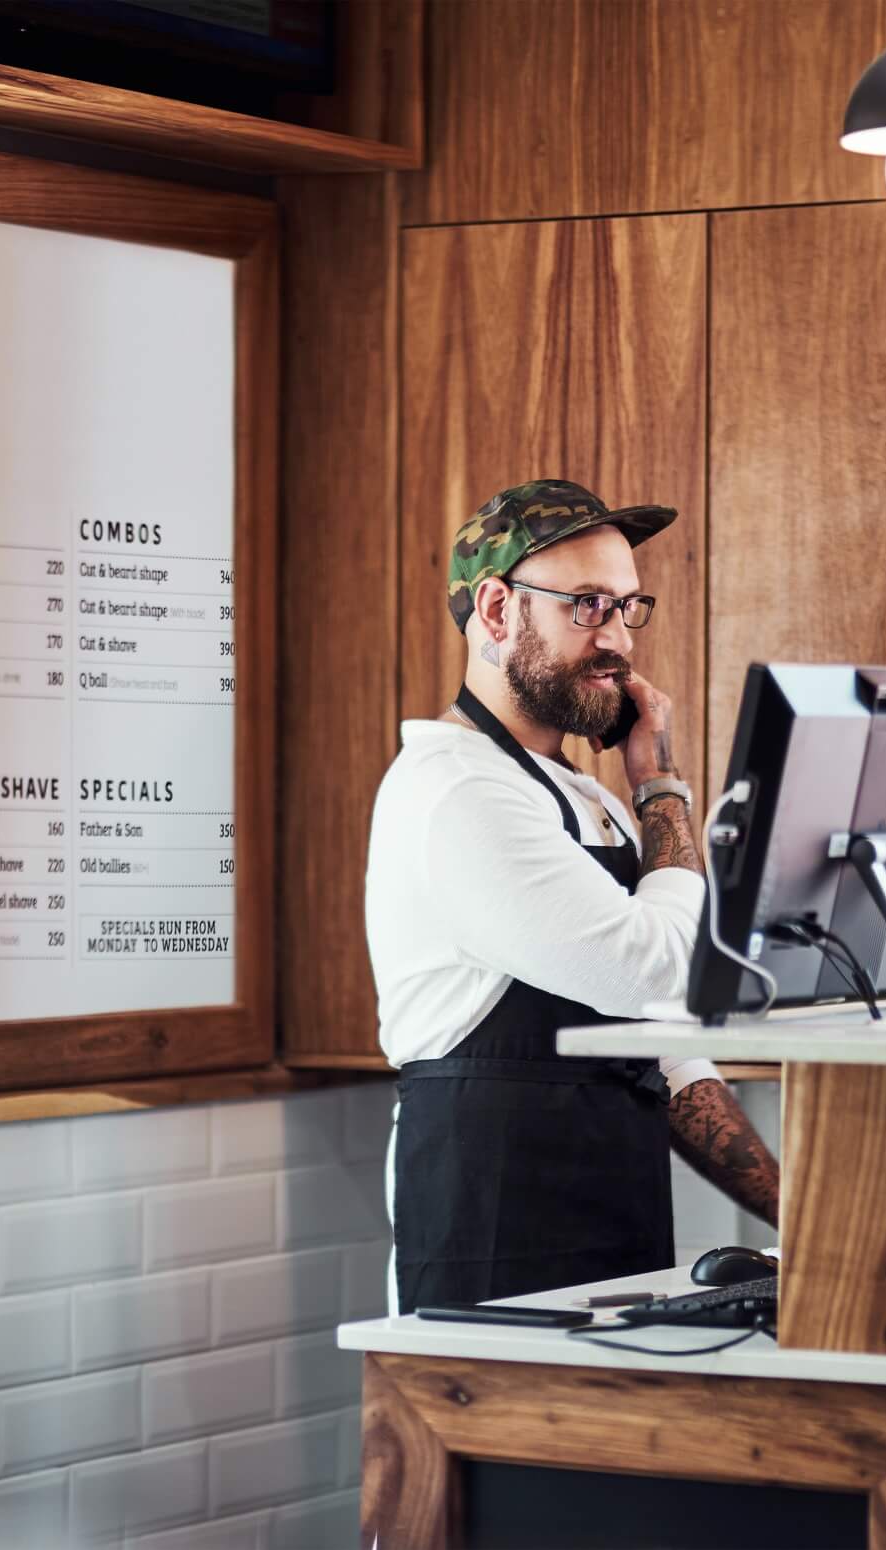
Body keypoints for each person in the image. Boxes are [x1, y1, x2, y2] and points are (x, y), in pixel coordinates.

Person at [365, 479, 780, 1313]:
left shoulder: (581, 799)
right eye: (586, 606)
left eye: (628, 608)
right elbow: (661, 971)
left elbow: (661, 1045)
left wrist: (798, 1216)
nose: (618, 639)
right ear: (495, 610)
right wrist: (660, 785)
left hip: (614, 1224)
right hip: (492, 1242)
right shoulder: (457, 789)